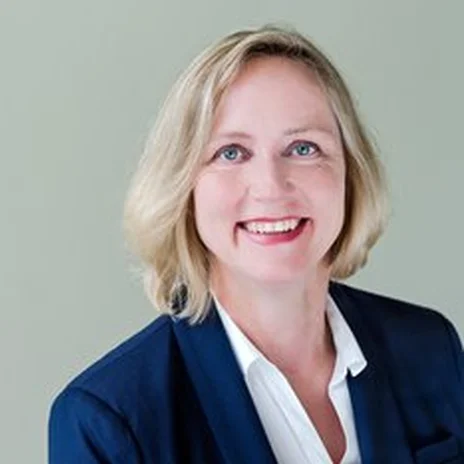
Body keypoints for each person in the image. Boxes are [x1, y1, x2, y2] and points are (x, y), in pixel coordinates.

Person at [48, 25, 464, 464]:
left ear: (350, 173)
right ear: (184, 188)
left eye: (303, 148)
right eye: (231, 153)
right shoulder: (109, 422)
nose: (271, 186)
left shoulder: (430, 349)